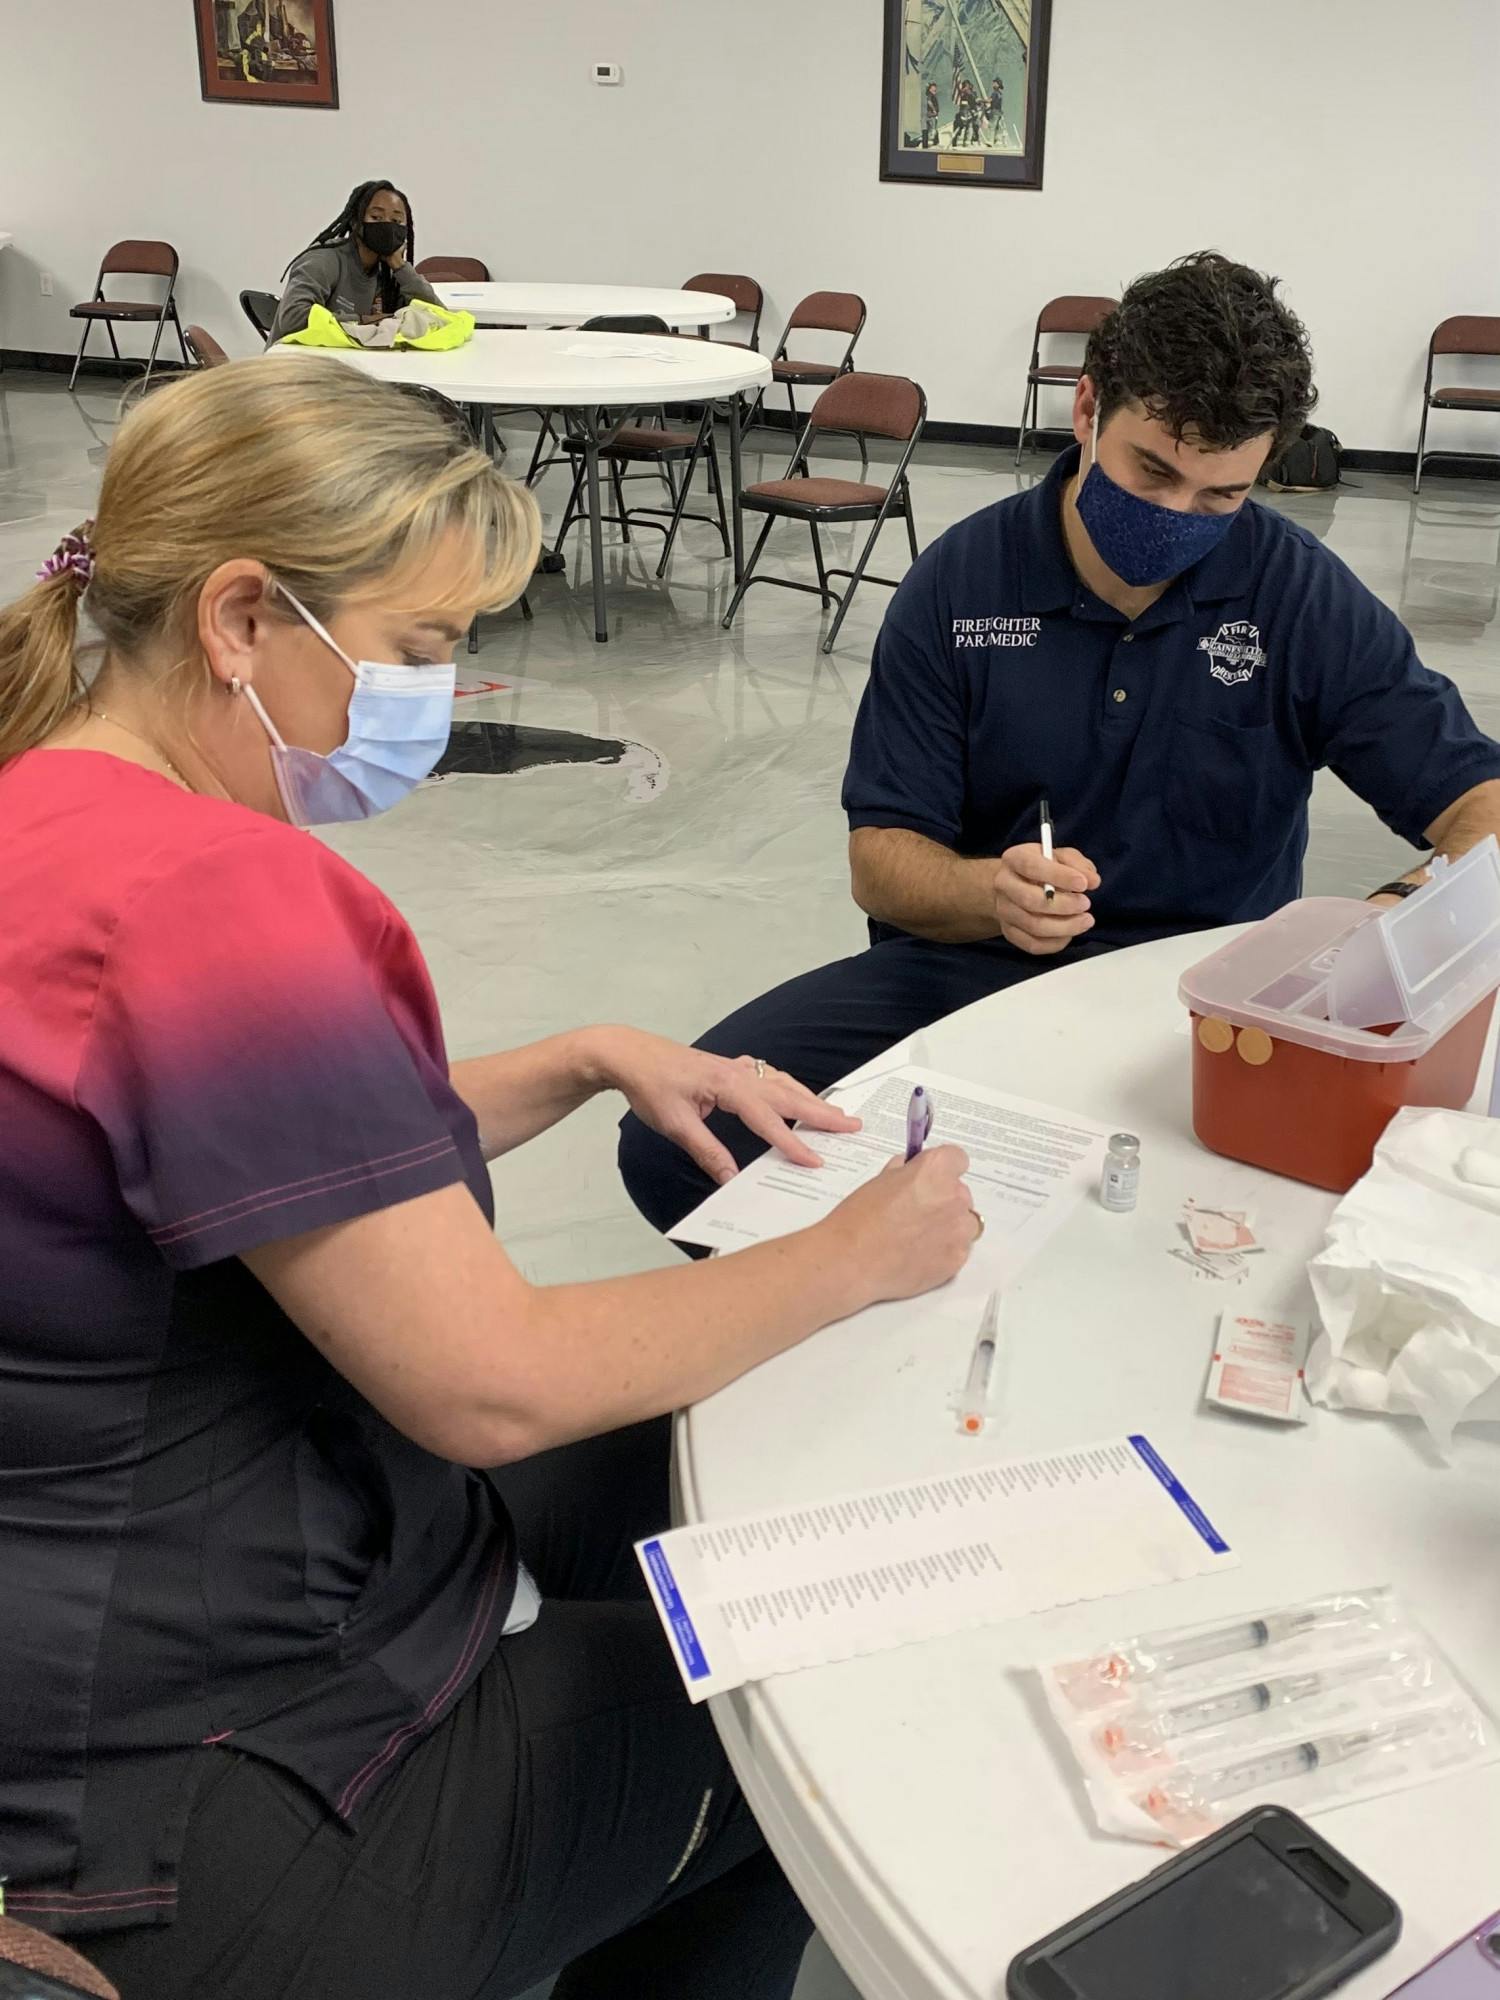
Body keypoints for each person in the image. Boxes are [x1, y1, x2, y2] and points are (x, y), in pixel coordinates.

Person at [0, 358, 983, 2000]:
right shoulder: (213, 898)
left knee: (675, 1474)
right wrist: (859, 1252)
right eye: (421, 648)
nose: (446, 701)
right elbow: (492, 1386)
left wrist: (580, 1055)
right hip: (194, 1776)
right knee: (805, 1688)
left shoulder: (56, 805)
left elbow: (247, 1156)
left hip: (105, 1630)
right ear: (243, 619)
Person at [619, 250, 1500, 1239]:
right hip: (971, 968)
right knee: (679, 1139)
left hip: (1211, 1001)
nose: (1177, 517)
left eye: (1220, 496)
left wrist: (1391, 922)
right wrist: (983, 889)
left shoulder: (1295, 592)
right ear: (1086, 410)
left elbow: (1480, 803)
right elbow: (883, 861)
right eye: (1152, 471)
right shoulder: (961, 587)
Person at [266, 179, 441, 342]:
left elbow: (437, 316)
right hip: (296, 363)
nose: (387, 226)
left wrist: (400, 266)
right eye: (376, 218)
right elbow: (293, 319)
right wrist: (362, 321)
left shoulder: (388, 272)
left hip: (346, 360)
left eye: (396, 221)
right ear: (356, 222)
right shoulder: (323, 260)